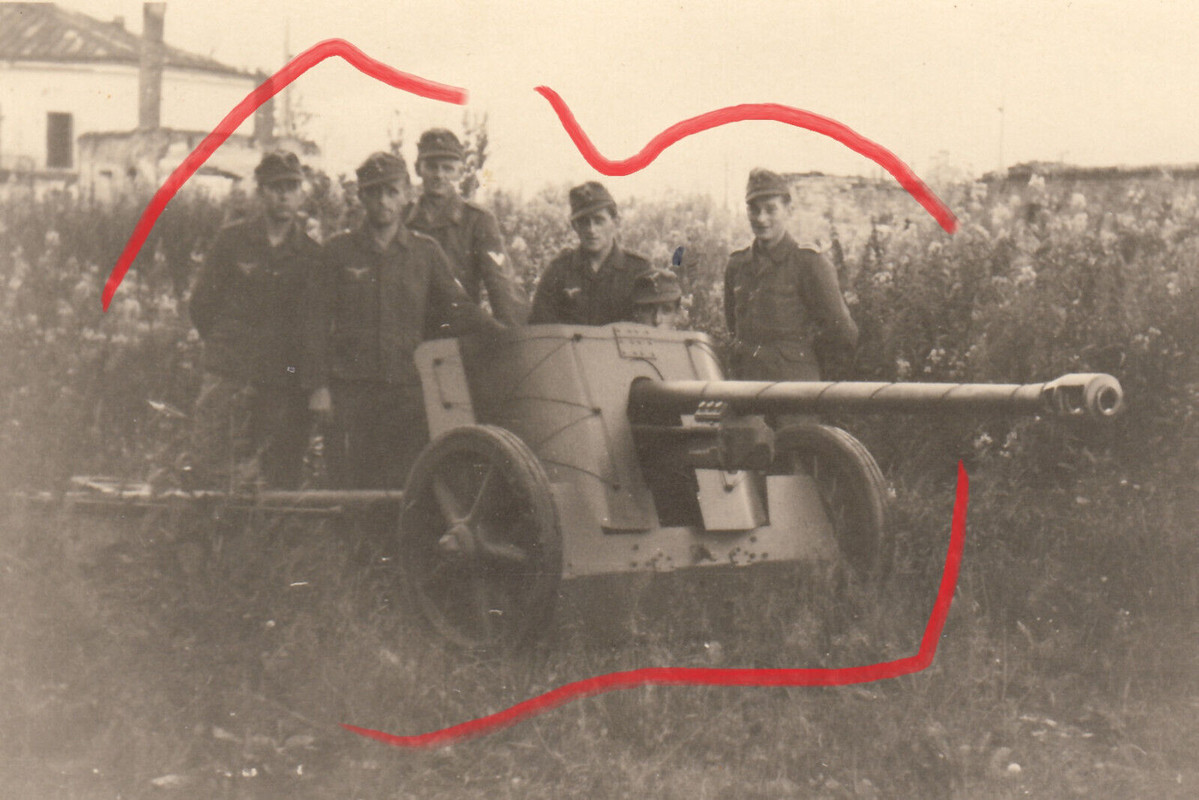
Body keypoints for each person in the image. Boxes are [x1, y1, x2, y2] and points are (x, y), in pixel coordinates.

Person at [305, 151, 504, 489]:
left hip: (406, 394)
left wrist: (506, 336)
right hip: (350, 391)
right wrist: (319, 388)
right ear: (362, 196)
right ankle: (351, 543)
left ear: (407, 194)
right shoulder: (337, 252)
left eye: (392, 191)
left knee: (404, 484)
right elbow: (313, 324)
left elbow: (459, 311)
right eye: (374, 192)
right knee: (349, 486)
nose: (383, 201)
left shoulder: (424, 252)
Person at [188, 151, 319, 490]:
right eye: (276, 187)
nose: (284, 195)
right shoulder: (232, 241)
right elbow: (202, 304)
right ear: (261, 192)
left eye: (292, 186)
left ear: (301, 193)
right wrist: (225, 344)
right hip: (229, 368)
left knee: (273, 466)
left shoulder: (309, 253)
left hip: (279, 374)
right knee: (212, 460)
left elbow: (311, 322)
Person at [723, 168, 858, 383]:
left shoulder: (808, 262)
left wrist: (812, 368)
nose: (761, 218)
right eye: (754, 210)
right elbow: (734, 328)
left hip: (795, 390)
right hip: (746, 388)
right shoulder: (737, 265)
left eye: (770, 209)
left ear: (789, 210)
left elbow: (841, 331)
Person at [404, 128, 528, 325]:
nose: (439, 175)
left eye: (448, 168)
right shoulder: (402, 220)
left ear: (460, 172)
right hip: (409, 332)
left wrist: (513, 338)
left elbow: (501, 284)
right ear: (418, 169)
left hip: (458, 334)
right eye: (432, 167)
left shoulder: (477, 220)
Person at [529, 181, 650, 325]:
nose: (591, 229)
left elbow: (653, 328)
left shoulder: (639, 270)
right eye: (584, 222)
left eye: (599, 221)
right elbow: (540, 327)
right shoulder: (558, 271)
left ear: (615, 222)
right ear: (575, 226)